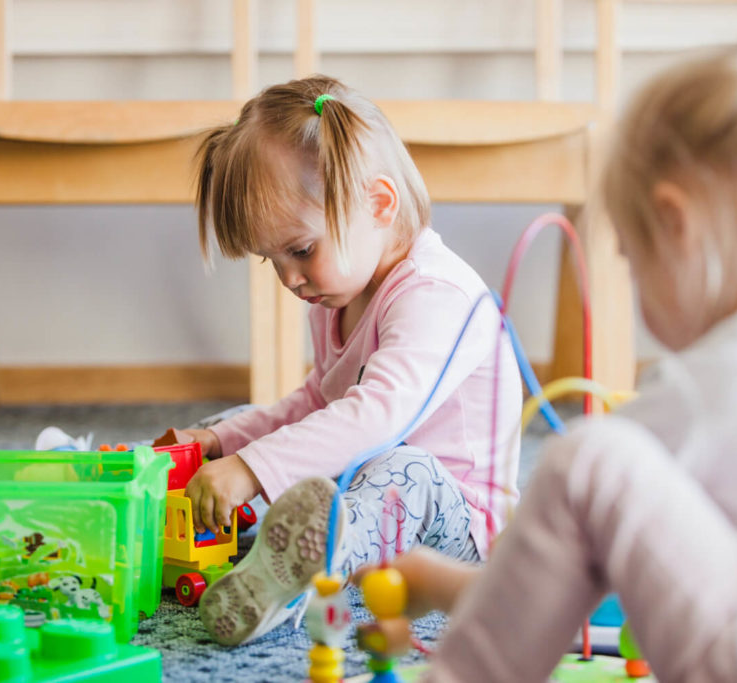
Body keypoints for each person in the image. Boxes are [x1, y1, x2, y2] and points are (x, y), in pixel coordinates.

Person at [358, 43, 737, 682]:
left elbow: (549, 578)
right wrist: (441, 585)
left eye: (631, 260)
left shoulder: (715, 384)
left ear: (677, 226)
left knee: (589, 461)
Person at [168, 75, 522, 646]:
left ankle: (303, 567)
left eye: (301, 250)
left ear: (380, 204)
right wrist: (223, 445)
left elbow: (376, 417)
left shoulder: (438, 294)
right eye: (271, 260)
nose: (288, 278)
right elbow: (315, 402)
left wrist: (255, 468)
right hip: (366, 481)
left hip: (457, 527)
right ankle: (222, 532)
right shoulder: (337, 295)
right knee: (227, 429)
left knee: (407, 470)